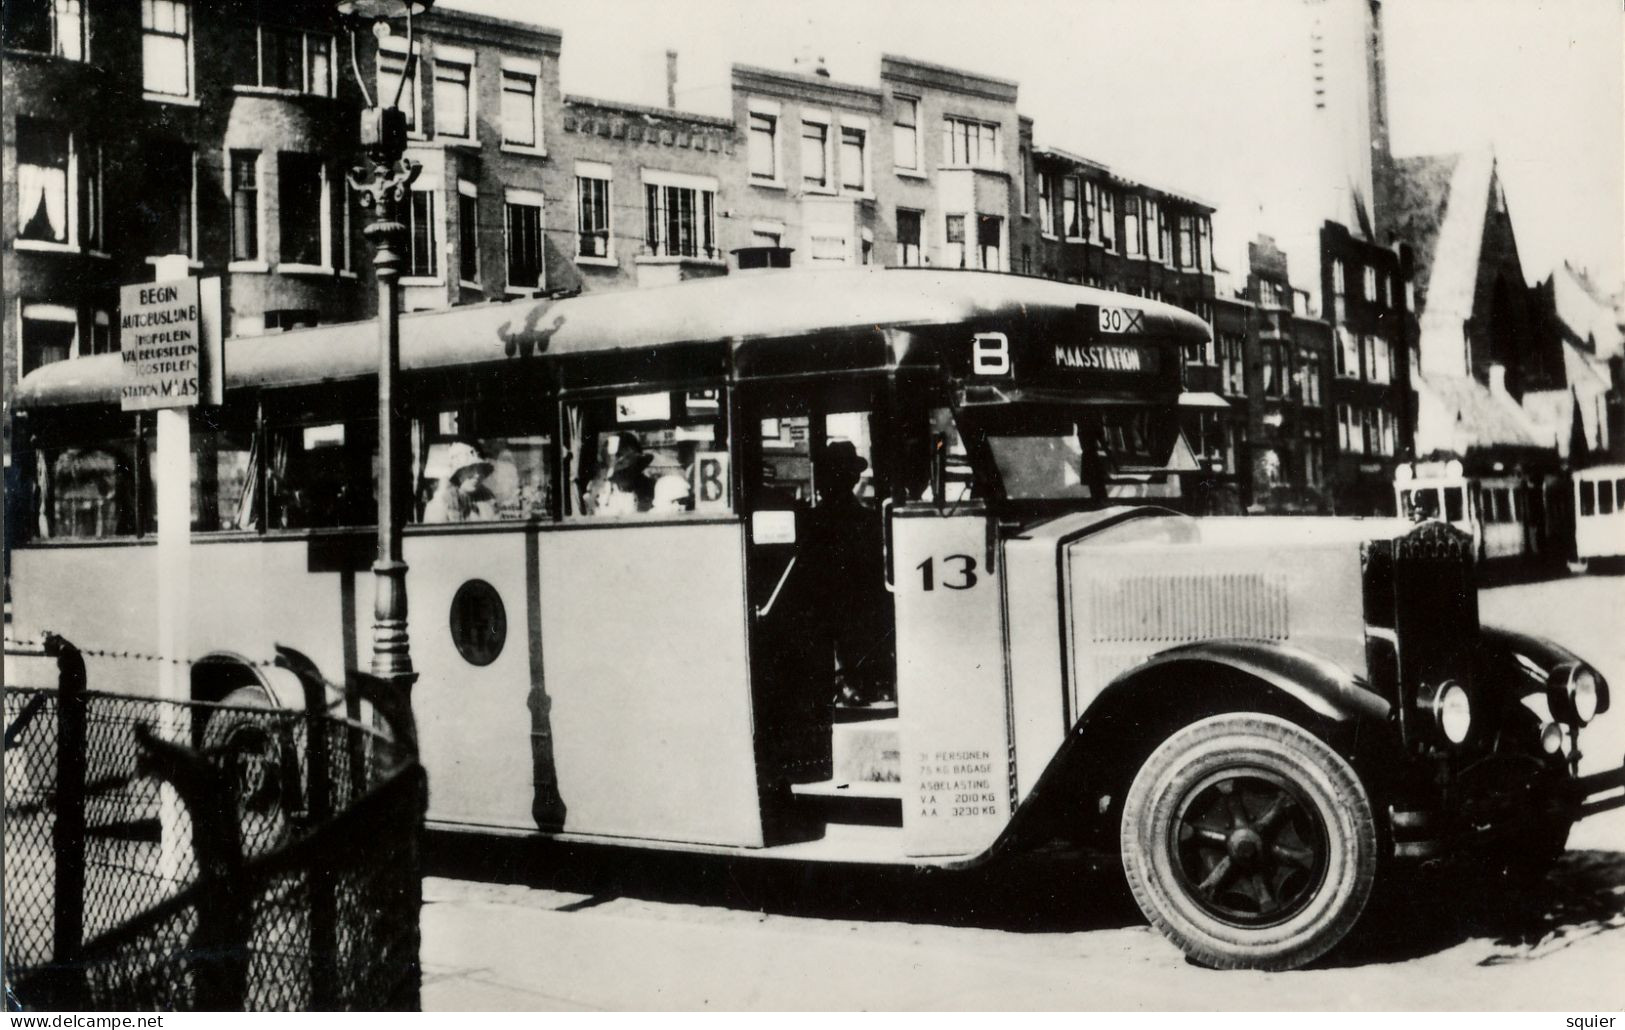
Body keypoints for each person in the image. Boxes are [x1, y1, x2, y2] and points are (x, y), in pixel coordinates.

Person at [804, 440, 893, 705]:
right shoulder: (867, 520)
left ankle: (847, 680)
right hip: (852, 609)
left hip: (836, 608)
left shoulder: (812, 521)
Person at [424, 441, 497, 523]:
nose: (477, 475)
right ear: (457, 473)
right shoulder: (440, 504)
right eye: (470, 469)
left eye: (479, 469)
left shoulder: (487, 497)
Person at [586, 432, 655, 515]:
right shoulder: (603, 491)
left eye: (633, 468)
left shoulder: (651, 488)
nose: (629, 475)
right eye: (623, 472)